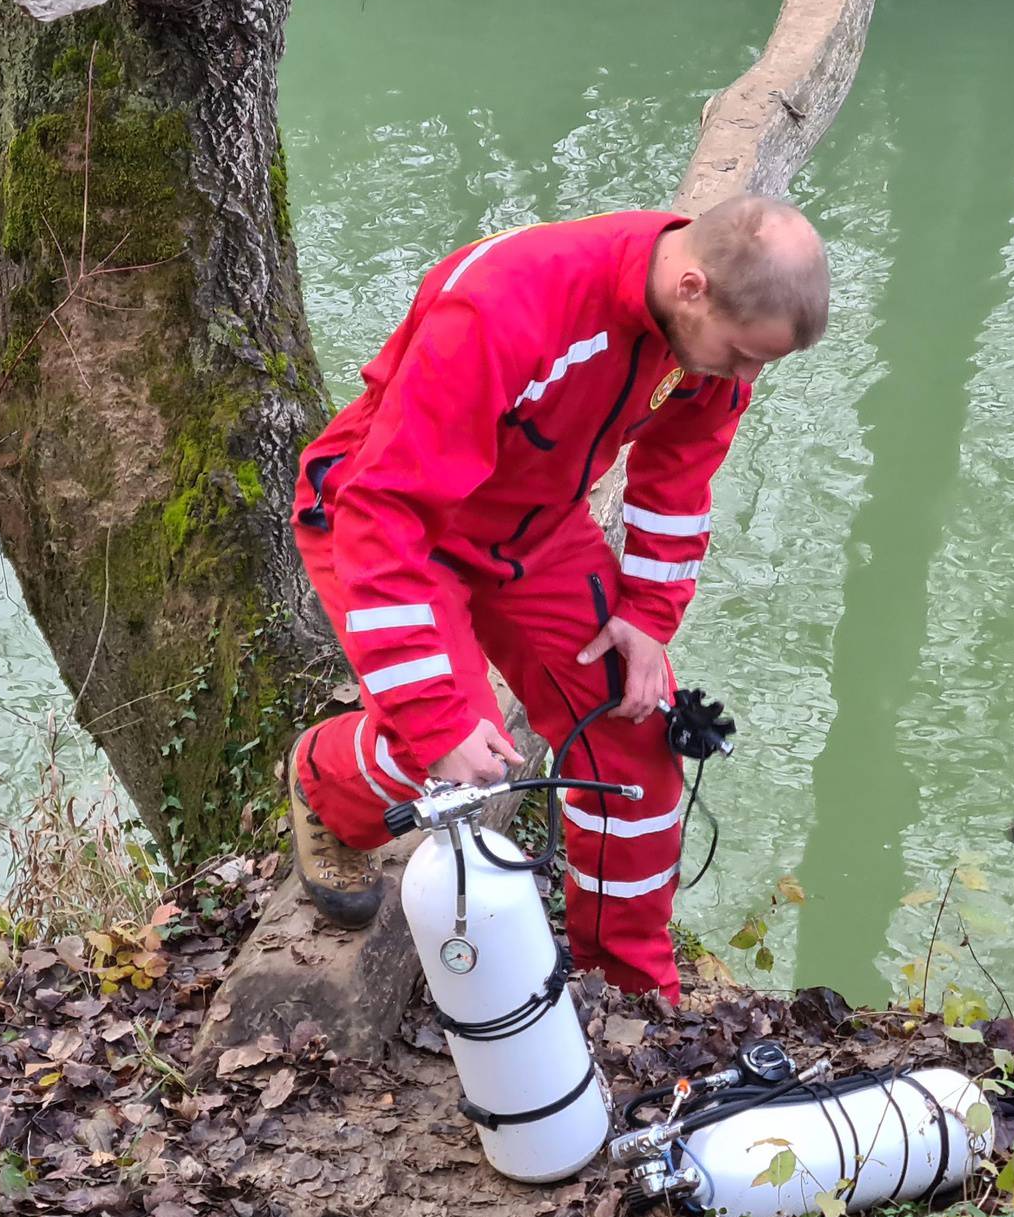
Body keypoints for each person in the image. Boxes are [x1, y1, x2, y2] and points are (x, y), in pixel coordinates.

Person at [284, 195, 830, 1002]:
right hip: (392, 519)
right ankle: (327, 782)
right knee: (453, 752)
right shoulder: (509, 304)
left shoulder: (704, 347)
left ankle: (628, 987)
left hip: (533, 530)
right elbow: (385, 510)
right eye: (743, 355)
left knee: (638, 738)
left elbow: (678, 480)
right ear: (690, 288)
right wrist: (434, 718)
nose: (745, 380)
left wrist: (648, 616)